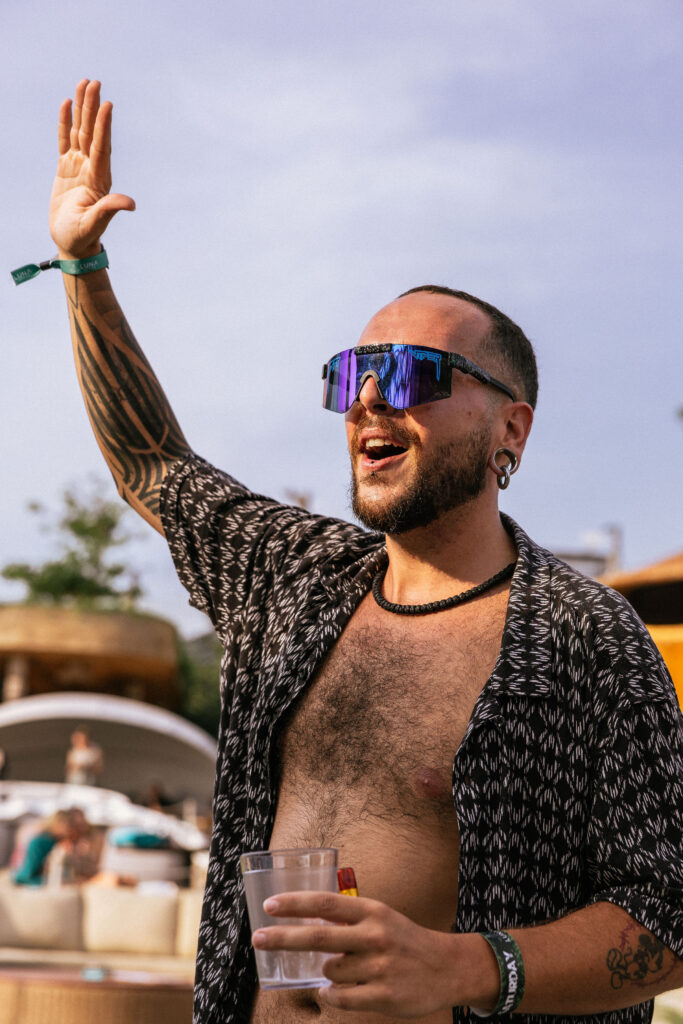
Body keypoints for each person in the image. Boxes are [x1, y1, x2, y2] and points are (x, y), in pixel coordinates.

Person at [38, 78, 682, 1023]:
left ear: (509, 430)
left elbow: (667, 916)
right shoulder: (293, 581)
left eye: (413, 374)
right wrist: (83, 266)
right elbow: (153, 462)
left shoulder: (583, 639)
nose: (371, 398)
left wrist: (469, 968)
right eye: (353, 374)